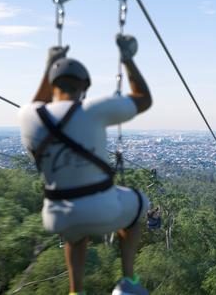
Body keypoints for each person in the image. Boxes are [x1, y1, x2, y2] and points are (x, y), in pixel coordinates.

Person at [19, 34, 152, 295]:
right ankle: (128, 280)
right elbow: (143, 99)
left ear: (50, 84)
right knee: (139, 204)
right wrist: (127, 59)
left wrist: (50, 67)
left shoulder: (26, 116)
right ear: (83, 87)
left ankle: (75, 291)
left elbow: (36, 105)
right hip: (101, 210)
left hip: (55, 216)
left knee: (74, 233)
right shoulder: (92, 109)